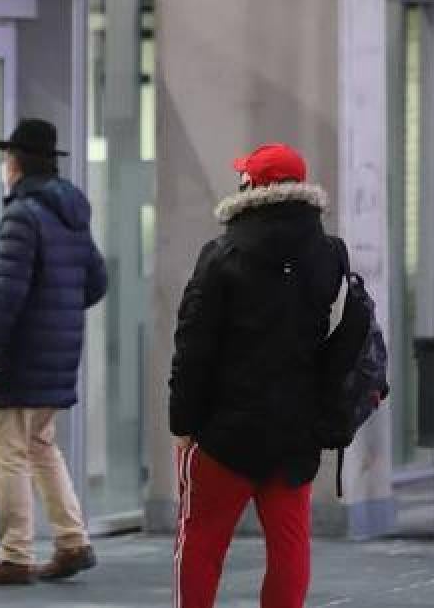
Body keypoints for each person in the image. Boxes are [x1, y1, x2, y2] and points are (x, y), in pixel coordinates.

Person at [169, 143, 345, 608]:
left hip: (225, 431)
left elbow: (193, 346)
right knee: (290, 546)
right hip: (295, 430)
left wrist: (182, 423)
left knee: (202, 542)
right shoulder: (328, 255)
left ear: (252, 187)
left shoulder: (222, 255)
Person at [0, 118, 108, 587]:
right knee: (40, 444)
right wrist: (60, 309)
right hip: (60, 350)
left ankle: (15, 554)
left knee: (6, 449)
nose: (5, 167)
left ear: (17, 163)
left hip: (23, 353)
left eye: (7, 159)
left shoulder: (23, 215)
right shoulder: (71, 214)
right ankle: (72, 541)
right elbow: (96, 282)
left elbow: (4, 293)